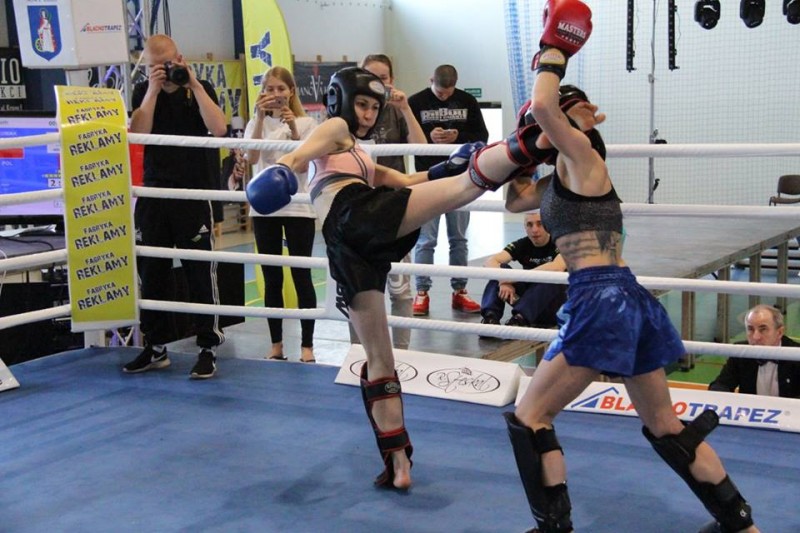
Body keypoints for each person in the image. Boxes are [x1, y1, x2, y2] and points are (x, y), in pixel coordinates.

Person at [497, 2, 759, 531]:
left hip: (600, 298)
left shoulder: (584, 157)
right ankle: (741, 524)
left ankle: (553, 527)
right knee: (666, 425)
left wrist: (554, 52)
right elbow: (513, 199)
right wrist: (527, 148)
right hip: (624, 297)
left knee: (531, 416)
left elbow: (545, 106)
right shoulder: (560, 175)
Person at [244, 66, 553, 490]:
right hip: (354, 215)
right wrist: (281, 168)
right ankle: (533, 140)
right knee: (465, 188)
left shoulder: (359, 152)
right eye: (362, 104)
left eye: (374, 107)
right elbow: (300, 156)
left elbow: (407, 180)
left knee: (380, 359)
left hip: (350, 249)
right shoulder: (335, 128)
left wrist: (448, 165)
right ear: (340, 102)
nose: (368, 114)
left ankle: (398, 463)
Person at [123, 34, 227, 380]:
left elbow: (219, 128)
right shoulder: (143, 92)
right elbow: (137, 135)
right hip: (154, 193)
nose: (164, 71)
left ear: (179, 58)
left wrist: (193, 83)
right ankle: (155, 346)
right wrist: (152, 91)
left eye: (168, 64)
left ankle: (208, 347)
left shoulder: (200, 88)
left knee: (199, 272)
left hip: (192, 194)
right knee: (152, 272)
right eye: (156, 67)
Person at [345, 53, 428, 351]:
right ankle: (359, 354)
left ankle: (402, 354)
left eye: (382, 78)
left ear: (392, 80)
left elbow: (422, 149)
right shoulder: (347, 111)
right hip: (356, 206)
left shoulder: (394, 111)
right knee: (357, 288)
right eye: (370, 76)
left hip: (393, 206)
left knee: (400, 288)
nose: (376, 83)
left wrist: (405, 108)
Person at [242, 66, 318, 363]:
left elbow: (303, 165)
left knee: (301, 275)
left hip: (298, 206)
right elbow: (251, 158)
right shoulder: (255, 123)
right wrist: (260, 119)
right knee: (272, 277)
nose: (275, 94)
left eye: (280, 89)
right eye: (270, 89)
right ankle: (276, 345)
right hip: (265, 208)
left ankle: (307, 347)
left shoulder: (307, 123)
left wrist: (294, 129)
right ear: (262, 92)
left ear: (291, 92)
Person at [408, 64, 489, 316]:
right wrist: (428, 136)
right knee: (426, 240)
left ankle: (460, 290)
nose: (443, 96)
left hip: (460, 180)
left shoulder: (467, 101)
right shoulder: (416, 102)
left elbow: (482, 137)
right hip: (428, 179)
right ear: (430, 80)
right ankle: (422, 292)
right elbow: (407, 137)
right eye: (439, 92)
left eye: (448, 92)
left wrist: (458, 136)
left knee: (459, 239)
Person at [479, 211, 566, 333]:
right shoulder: (522, 244)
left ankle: (520, 318)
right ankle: (490, 317)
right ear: (525, 227)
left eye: (540, 224)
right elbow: (490, 261)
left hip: (553, 307)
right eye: (529, 225)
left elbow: (558, 267)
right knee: (501, 268)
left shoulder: (561, 242)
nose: (534, 230)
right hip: (527, 302)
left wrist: (513, 278)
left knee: (551, 277)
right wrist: (503, 281)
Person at [709, 304, 800, 398]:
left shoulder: (796, 354)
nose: (756, 337)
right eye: (750, 329)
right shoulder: (741, 352)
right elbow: (721, 384)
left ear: (779, 332)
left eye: (763, 329)